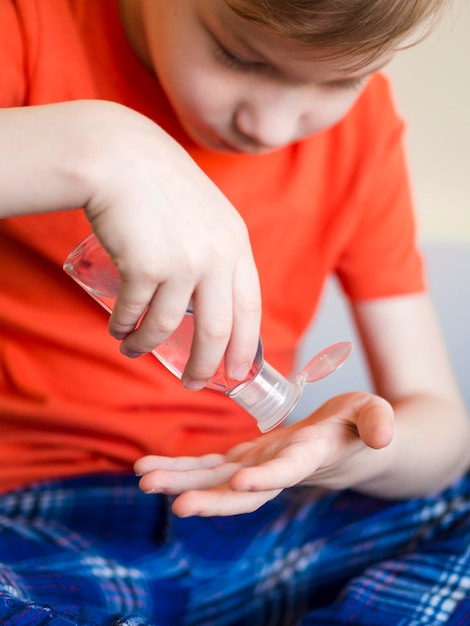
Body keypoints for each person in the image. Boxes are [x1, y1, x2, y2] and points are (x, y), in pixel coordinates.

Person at [0, 0, 469, 624]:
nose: (269, 126)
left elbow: (442, 428)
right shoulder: (29, 29)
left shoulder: (361, 138)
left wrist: (353, 455)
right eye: (238, 56)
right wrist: (105, 145)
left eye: (338, 80)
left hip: (254, 515)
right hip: (34, 526)